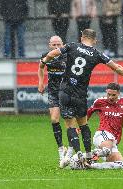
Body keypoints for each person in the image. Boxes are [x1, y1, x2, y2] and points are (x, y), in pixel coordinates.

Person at [41, 29, 123, 165]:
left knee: (70, 125)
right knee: (83, 124)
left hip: (65, 91)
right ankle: (88, 154)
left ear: (82, 37)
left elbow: (52, 54)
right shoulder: (97, 54)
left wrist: (45, 60)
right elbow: (116, 67)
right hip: (80, 94)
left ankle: (78, 153)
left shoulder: (71, 46)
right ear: (95, 40)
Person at [38, 36, 74, 168]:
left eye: (58, 44)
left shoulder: (68, 55)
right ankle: (61, 149)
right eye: (53, 44)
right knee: (54, 119)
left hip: (66, 92)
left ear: (62, 44)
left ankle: (70, 151)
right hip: (53, 92)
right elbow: (41, 67)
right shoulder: (46, 56)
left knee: (68, 122)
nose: (56, 46)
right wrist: (41, 83)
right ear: (49, 45)